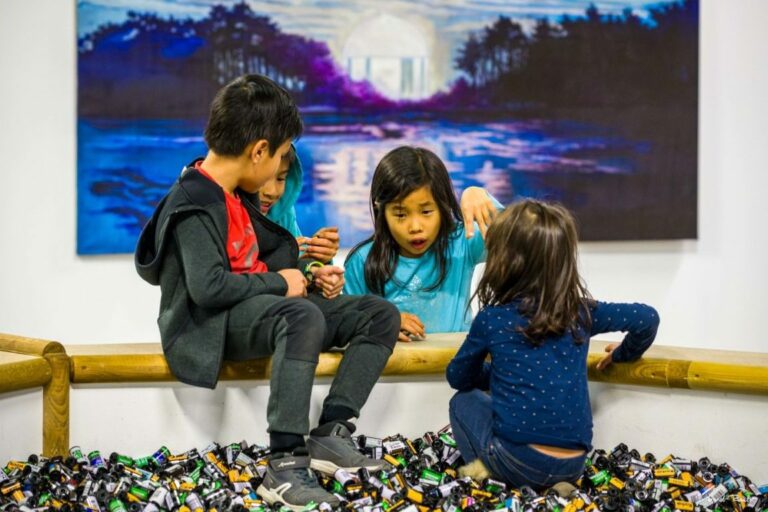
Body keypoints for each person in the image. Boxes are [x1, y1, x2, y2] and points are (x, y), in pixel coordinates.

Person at [134, 74, 400, 510]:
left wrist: (309, 276)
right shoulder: (193, 203)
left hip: (258, 308)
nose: (279, 168)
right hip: (211, 325)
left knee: (378, 314)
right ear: (258, 151)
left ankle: (332, 432)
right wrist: (282, 283)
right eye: (278, 156)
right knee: (302, 317)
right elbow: (209, 287)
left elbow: (261, 263)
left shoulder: (236, 196)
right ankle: (284, 463)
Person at [446, 199, 660, 490]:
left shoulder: (492, 319)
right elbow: (647, 318)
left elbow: (458, 377)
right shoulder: (581, 312)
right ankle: (556, 486)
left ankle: (494, 477)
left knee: (462, 402)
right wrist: (623, 355)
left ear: (502, 262)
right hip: (574, 463)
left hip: (516, 459)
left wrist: (497, 375)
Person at [344, 146, 502, 340]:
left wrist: (480, 195)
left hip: (454, 365)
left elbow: (520, 239)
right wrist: (385, 321)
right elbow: (348, 323)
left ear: (442, 203)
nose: (415, 226)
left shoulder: (462, 241)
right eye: (401, 214)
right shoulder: (362, 261)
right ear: (380, 209)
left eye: (426, 212)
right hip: (389, 368)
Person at [258, 145, 340, 263]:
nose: (272, 192)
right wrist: (278, 259)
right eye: (263, 177)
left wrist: (316, 257)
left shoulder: (283, 211)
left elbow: (299, 263)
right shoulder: (227, 212)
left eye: (281, 179)